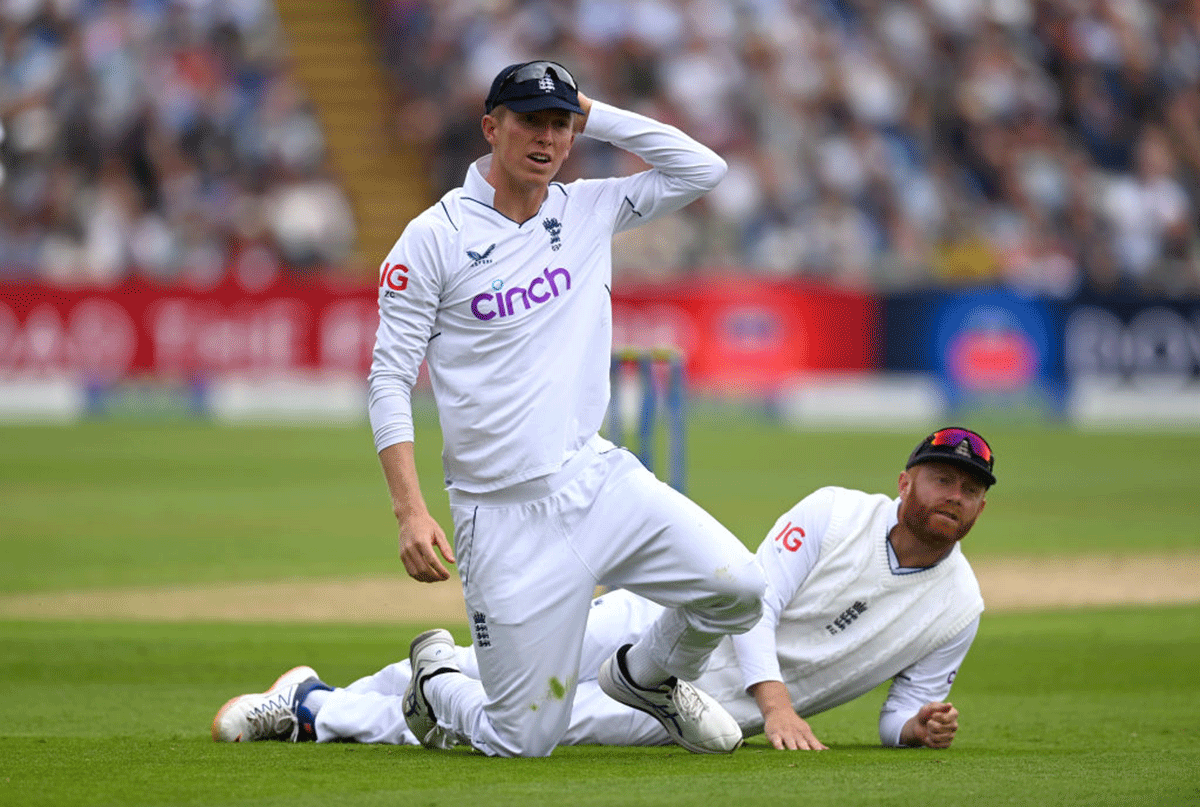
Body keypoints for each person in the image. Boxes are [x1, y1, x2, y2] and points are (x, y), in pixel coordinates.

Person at [249, 60, 765, 758]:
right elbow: (389, 380)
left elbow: (701, 169)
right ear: (492, 128)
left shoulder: (587, 207)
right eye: (530, 121)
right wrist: (410, 509)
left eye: (559, 125)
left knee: (738, 588)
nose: (547, 139)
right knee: (525, 738)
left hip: (598, 481)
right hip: (500, 516)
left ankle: (647, 678)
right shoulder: (431, 239)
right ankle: (433, 682)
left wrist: (593, 109)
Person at [212, 426, 995, 751]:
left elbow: (899, 707)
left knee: (530, 728)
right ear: (905, 480)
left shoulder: (961, 607)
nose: (954, 495)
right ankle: (335, 693)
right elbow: (753, 604)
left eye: (970, 487)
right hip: (657, 622)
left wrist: (914, 728)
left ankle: (313, 705)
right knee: (497, 667)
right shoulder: (834, 512)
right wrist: (783, 703)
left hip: (703, 706)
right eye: (941, 477)